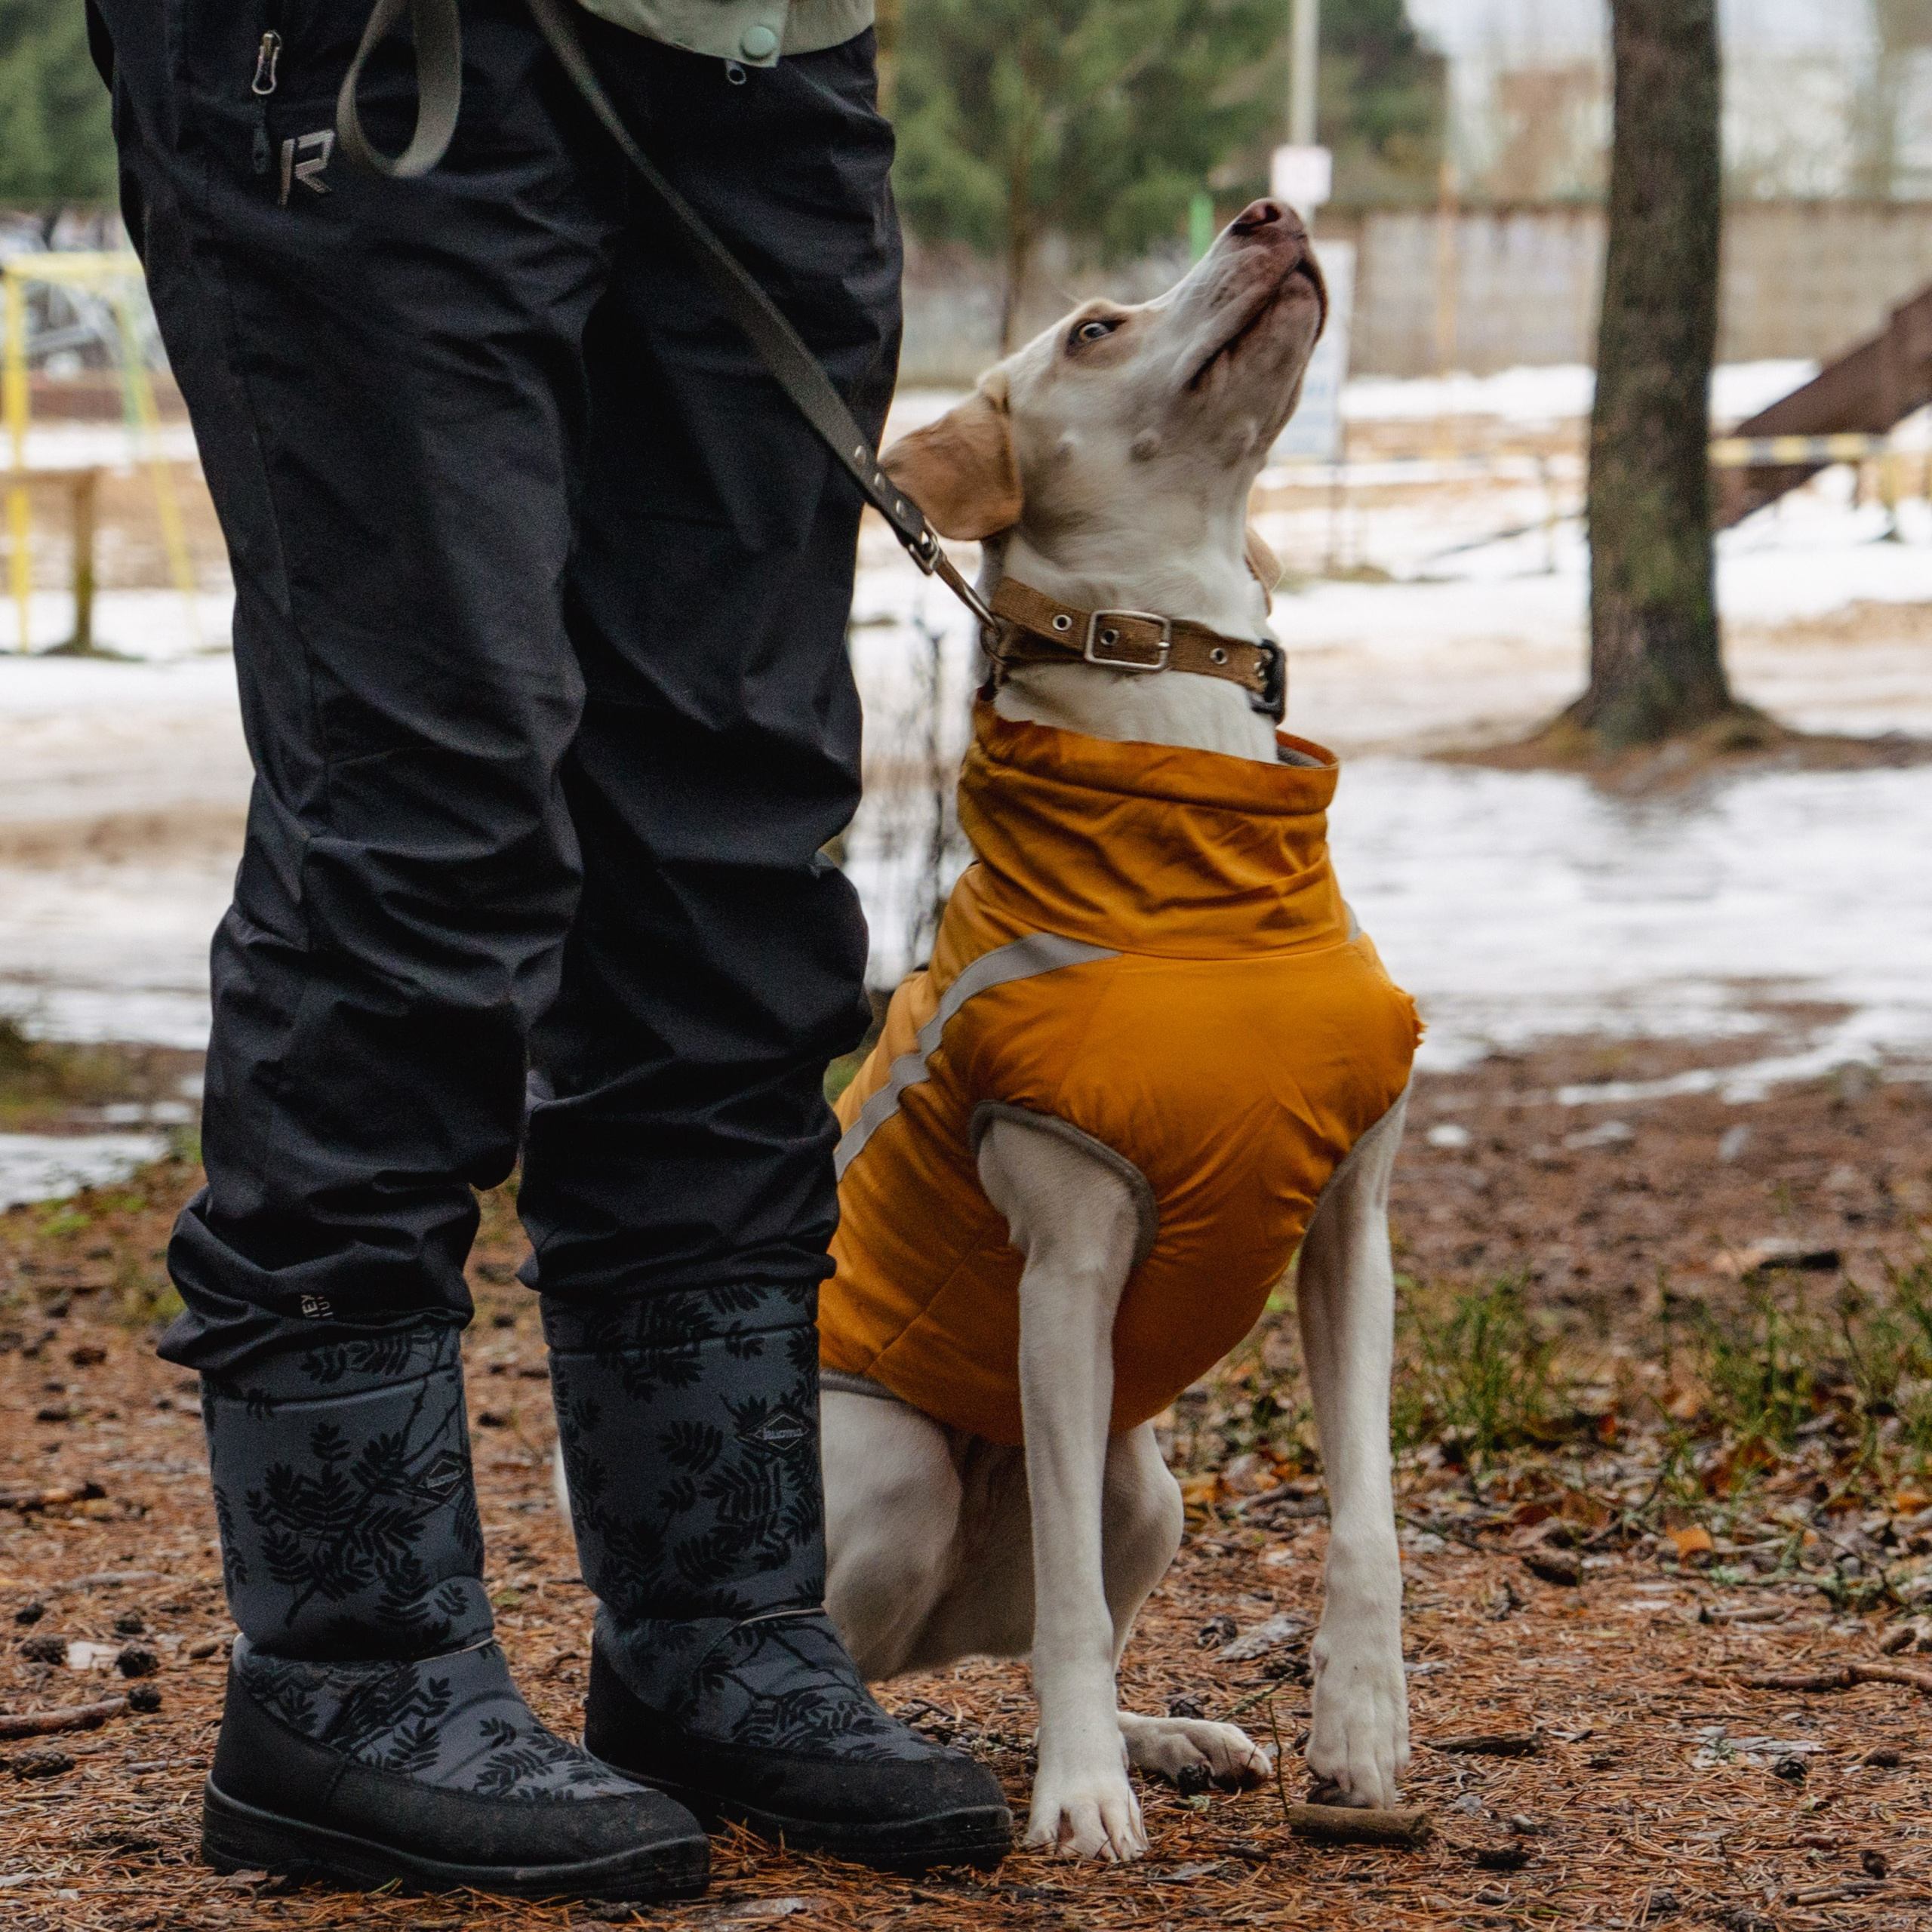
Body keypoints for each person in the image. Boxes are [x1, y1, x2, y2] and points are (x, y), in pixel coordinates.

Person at [85, 0, 1009, 1900]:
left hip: (758, 42)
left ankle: (718, 1623)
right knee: (426, 799)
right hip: (366, 41)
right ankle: (349, 1669)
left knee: (729, 820)